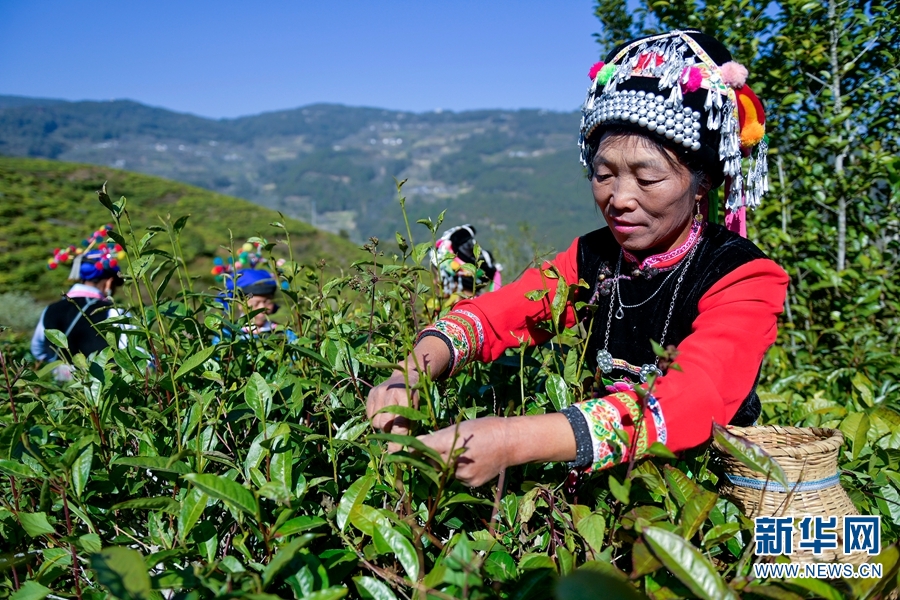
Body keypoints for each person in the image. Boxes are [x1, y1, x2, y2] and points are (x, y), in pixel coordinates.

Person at [366, 30, 789, 487]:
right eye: (604, 174)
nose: (619, 198)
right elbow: (499, 314)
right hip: (603, 492)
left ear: (702, 182)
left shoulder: (742, 276)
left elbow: (692, 401)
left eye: (647, 179)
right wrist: (410, 373)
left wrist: (511, 441)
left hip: (702, 500)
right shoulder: (593, 258)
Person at [31, 225, 126, 379]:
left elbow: (38, 350)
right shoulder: (113, 312)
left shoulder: (51, 309)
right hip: (104, 392)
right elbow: (136, 355)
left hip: (61, 391)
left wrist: (63, 370)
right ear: (109, 282)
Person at [431, 224, 502, 302]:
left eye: (437, 275)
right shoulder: (481, 306)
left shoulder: (456, 312)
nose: (434, 281)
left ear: (455, 279)